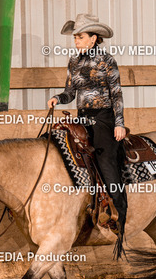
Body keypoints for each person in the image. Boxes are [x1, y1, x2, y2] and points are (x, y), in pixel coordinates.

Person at [47, 13, 128, 256]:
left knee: (105, 161)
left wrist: (119, 123)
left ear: (93, 39)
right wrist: (58, 98)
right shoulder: (74, 61)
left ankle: (119, 214)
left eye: (80, 37)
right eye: (75, 37)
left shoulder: (107, 61)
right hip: (82, 117)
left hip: (104, 118)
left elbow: (116, 94)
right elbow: (70, 92)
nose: (76, 41)